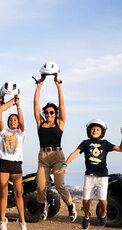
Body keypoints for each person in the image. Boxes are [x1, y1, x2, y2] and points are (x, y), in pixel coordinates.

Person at [56, 120, 122, 230]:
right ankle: (86, 216)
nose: (95, 130)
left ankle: (103, 214)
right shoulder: (85, 143)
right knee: (85, 201)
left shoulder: (105, 144)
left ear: (102, 132)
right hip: (89, 176)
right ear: (89, 131)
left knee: (103, 201)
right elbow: (75, 152)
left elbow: (121, 149)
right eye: (93, 129)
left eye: (98, 129)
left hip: (102, 176)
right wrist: (65, 164)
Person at [33, 76, 77, 221]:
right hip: (43, 158)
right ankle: (42, 206)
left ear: (55, 114)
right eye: (46, 112)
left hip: (58, 156)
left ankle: (70, 206)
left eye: (51, 112)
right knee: (40, 185)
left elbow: (62, 105)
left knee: (59, 185)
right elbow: (35, 104)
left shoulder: (60, 123)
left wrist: (58, 86)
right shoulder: (40, 123)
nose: (48, 115)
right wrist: (39, 86)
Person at [0, 95, 27, 230]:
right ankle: (3, 221)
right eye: (11, 120)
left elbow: (22, 122)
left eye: (15, 120)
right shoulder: (4, 132)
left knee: (18, 193)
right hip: (4, 163)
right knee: (3, 192)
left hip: (16, 165)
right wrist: (1, 106)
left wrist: (18, 106)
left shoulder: (20, 133)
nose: (13, 121)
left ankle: (22, 221)